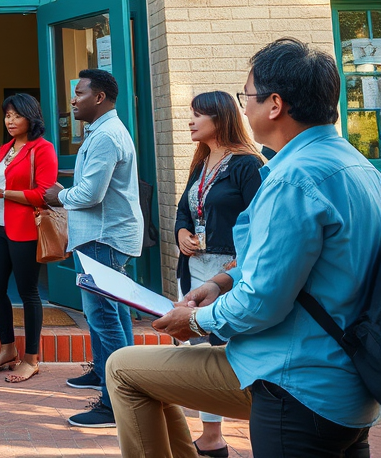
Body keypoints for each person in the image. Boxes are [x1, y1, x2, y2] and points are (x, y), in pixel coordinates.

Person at [107, 38, 381, 458]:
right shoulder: (357, 166)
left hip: (294, 382)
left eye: (246, 96)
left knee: (122, 369)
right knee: (134, 372)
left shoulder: (292, 179)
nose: (244, 107)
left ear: (275, 105)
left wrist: (197, 321)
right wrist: (220, 281)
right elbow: (299, 261)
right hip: (348, 383)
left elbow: (263, 301)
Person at [42, 68, 142, 428]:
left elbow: (90, 194)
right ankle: (107, 372)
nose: (72, 100)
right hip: (103, 237)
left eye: (79, 93)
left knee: (103, 316)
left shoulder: (105, 136)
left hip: (104, 239)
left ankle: (118, 401)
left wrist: (59, 195)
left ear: (99, 97)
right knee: (113, 313)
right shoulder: (103, 131)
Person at [175, 91, 264, 457]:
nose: (191, 121)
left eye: (198, 115)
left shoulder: (247, 164)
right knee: (200, 352)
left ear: (220, 117)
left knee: (227, 352)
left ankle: (256, 428)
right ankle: (211, 436)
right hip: (196, 270)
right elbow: (184, 209)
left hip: (228, 274)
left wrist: (240, 262)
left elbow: (262, 223)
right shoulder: (201, 162)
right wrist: (181, 233)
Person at [0, 93, 57, 383]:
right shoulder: (5, 147)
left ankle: (31, 359)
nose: (10, 120)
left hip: (25, 230)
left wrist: (2, 193)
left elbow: (44, 194)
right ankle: (8, 349)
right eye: (7, 115)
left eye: (16, 115)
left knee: (28, 293)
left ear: (30, 117)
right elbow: (1, 184)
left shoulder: (43, 149)